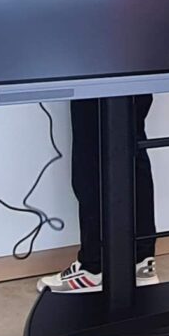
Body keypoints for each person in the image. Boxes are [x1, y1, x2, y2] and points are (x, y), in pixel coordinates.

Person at [39, 97, 161, 293]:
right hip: (136, 79)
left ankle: (94, 268)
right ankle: (141, 262)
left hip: (95, 80)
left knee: (89, 155)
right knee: (132, 146)